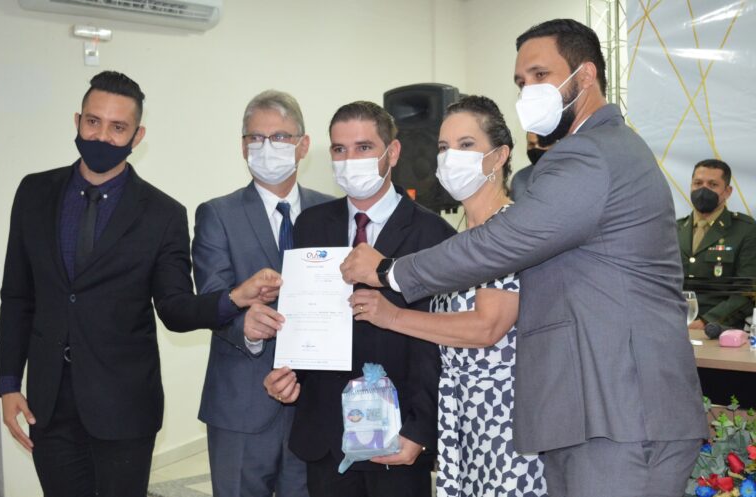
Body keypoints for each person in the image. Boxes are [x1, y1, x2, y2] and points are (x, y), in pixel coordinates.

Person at [341, 19, 708, 497]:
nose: (528, 91)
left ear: (585, 75)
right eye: (520, 81)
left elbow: (502, 242)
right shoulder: (593, 152)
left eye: (540, 75)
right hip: (589, 412)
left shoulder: (591, 155)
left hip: (622, 411)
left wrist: (390, 271)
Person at [0, 71, 278, 497]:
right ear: (77, 121)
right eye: (93, 122)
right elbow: (18, 296)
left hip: (124, 407)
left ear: (137, 135)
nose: (102, 136)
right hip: (49, 403)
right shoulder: (35, 192)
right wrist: (8, 383)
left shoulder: (162, 213)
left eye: (117, 127)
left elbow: (175, 308)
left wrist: (233, 298)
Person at [350, 95, 547, 497]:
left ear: (499, 156)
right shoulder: (462, 238)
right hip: (462, 419)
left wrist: (391, 316)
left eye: (466, 144)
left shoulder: (509, 229)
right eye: (443, 147)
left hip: (506, 422)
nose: (450, 157)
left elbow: (486, 327)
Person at [264, 101, 455, 497]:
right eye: (340, 149)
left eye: (364, 147)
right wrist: (288, 374)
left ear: (393, 152)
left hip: (398, 434)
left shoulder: (433, 234)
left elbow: (437, 343)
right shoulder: (311, 224)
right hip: (326, 434)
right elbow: (304, 316)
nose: (350, 160)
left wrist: (421, 429)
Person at [191, 90, 333, 497]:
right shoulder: (217, 214)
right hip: (241, 404)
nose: (267, 147)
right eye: (256, 137)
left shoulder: (331, 212)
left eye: (281, 137)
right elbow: (213, 296)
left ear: (303, 145)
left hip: (313, 403)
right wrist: (246, 327)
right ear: (243, 147)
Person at [678, 158, 756, 330]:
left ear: (727, 191)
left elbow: (747, 292)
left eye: (712, 184)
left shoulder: (746, 230)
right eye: (698, 183)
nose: (703, 189)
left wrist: (706, 322)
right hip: (671, 323)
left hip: (718, 330)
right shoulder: (674, 229)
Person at [510, 132, 551, 201]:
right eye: (531, 144)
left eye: (542, 144)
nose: (536, 148)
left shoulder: (566, 177)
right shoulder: (519, 178)